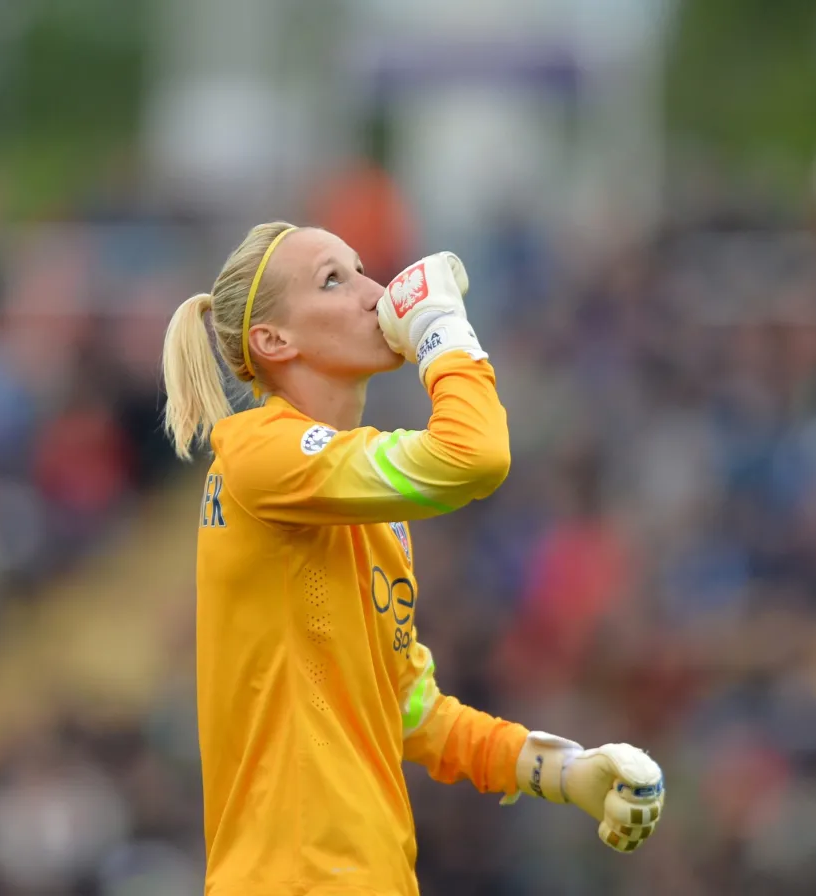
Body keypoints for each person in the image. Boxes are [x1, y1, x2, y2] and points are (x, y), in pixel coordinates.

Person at [160, 222, 664, 896]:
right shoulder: (260, 450)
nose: (375, 294)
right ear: (274, 341)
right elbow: (474, 455)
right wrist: (439, 328)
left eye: (363, 270)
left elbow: (411, 710)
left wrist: (564, 770)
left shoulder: (368, 500)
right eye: (333, 281)